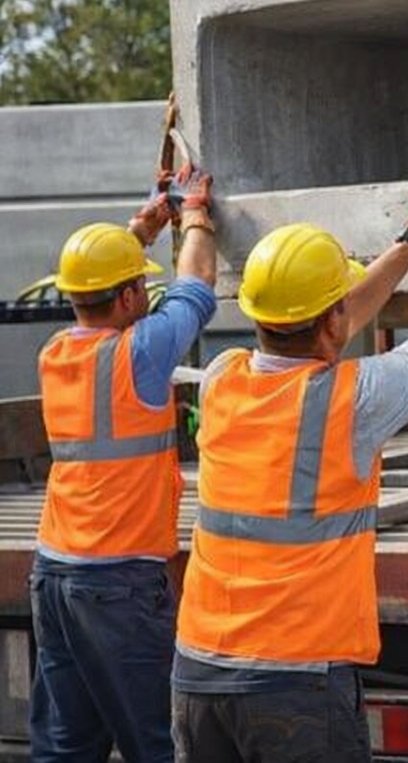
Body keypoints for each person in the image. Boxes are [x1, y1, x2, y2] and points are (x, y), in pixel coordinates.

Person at [169, 174, 408, 763]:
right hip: (293, 686)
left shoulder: (221, 378)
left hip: (198, 675)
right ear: (332, 322)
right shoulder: (352, 402)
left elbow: (331, 320)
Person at [31, 169, 217, 763]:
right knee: (159, 742)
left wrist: (141, 228)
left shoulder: (57, 353)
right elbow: (197, 284)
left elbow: (102, 278)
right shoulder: (140, 351)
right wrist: (196, 217)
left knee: (68, 745)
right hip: (116, 586)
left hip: (54, 574)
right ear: (132, 296)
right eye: (139, 286)